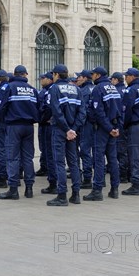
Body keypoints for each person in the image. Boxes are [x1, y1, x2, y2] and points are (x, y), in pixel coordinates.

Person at [0, 65, 40, 200]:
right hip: (29, 127)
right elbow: (38, 108)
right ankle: (29, 189)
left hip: (14, 126)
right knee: (28, 158)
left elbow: (0, 107)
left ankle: (13, 189)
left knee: (13, 157)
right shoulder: (32, 89)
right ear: (25, 75)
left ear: (14, 74)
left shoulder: (9, 87)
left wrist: (4, 119)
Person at [46, 64, 86, 206]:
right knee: (73, 162)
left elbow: (56, 111)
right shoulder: (77, 89)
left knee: (60, 162)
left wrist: (66, 129)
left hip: (60, 130)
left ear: (56, 75)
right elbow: (82, 112)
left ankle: (62, 195)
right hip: (73, 132)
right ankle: (76, 194)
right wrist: (74, 129)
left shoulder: (55, 88)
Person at [83, 66, 123, 201]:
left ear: (98, 75)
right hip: (113, 128)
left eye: (93, 74)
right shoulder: (113, 87)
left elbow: (98, 112)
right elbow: (120, 110)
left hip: (102, 129)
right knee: (112, 160)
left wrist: (108, 128)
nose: (91, 76)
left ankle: (97, 190)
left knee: (99, 159)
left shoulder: (98, 89)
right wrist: (116, 128)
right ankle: (114, 189)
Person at [76, 69, 95, 189]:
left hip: (86, 124)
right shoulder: (95, 88)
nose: (77, 79)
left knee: (85, 151)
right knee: (97, 152)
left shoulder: (83, 91)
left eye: (79, 77)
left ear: (84, 78)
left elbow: (82, 110)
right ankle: (100, 177)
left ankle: (87, 178)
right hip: (96, 125)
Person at [111, 71, 131, 183]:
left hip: (120, 124)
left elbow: (116, 110)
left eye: (112, 79)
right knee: (128, 149)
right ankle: (128, 173)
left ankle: (123, 175)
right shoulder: (127, 90)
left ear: (115, 80)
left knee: (121, 150)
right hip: (128, 123)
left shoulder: (116, 91)